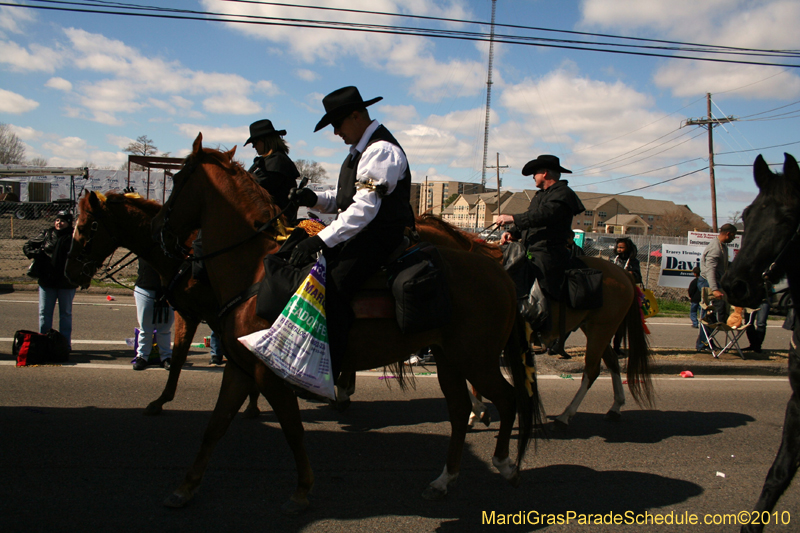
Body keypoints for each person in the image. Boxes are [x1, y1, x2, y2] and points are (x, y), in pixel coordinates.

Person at [288, 86, 416, 382]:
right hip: (362, 235)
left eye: (337, 124)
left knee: (331, 287)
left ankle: (329, 371)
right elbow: (344, 198)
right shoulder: (358, 152)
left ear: (356, 116)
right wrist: (312, 198)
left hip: (379, 238)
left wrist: (318, 239)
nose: (335, 132)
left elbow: (363, 210)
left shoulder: (381, 150)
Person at [494, 155, 585, 329]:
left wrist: (512, 217)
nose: (533, 177)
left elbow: (545, 215)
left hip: (549, 250)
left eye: (535, 173)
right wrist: (512, 233)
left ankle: (542, 324)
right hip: (531, 247)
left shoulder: (563, 194)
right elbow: (531, 220)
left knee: (538, 272)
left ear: (544, 173)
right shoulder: (540, 195)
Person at [23, 210, 78, 349]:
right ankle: (44, 342)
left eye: (63, 221)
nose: (59, 223)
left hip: (66, 281)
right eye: (58, 220)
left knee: (65, 314)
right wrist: (36, 254)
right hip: (47, 280)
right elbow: (27, 246)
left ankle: (64, 344)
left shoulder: (74, 236)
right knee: (44, 313)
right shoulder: (47, 234)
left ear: (69, 223)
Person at [244, 119, 301, 223]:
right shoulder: (269, 161)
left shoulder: (277, 161)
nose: (253, 146)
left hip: (276, 224)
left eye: (255, 142)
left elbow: (253, 188)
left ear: (266, 140)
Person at [695, 223, 738, 352]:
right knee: (710, 315)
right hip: (708, 283)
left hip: (714, 282)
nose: (734, 238)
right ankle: (703, 344)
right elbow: (710, 271)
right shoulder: (716, 248)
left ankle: (708, 341)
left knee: (715, 315)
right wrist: (714, 289)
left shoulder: (722, 246)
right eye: (734, 236)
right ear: (728, 233)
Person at [132, 258, 174, 370]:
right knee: (145, 327)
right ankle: (142, 356)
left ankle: (166, 357)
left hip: (167, 289)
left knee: (164, 328)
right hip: (145, 287)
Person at [611, 237, 642, 354]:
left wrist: (631, 274)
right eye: (618, 247)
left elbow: (639, 278)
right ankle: (606, 346)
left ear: (628, 248)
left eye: (622, 247)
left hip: (626, 295)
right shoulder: (613, 259)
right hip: (613, 294)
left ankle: (617, 347)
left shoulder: (634, 262)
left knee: (622, 325)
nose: (619, 250)